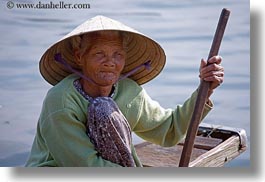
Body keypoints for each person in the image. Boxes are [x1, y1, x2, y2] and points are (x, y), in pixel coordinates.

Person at [25, 15, 224, 167]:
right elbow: (85, 166)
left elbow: (169, 130)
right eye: (99, 54)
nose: (110, 62)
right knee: (101, 109)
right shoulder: (60, 100)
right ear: (79, 56)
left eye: (117, 54)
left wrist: (204, 91)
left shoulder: (129, 92)